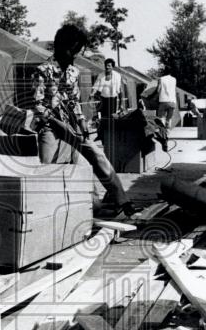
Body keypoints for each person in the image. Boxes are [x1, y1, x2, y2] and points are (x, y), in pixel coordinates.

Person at [32, 25, 135, 217]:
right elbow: (37, 105)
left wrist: (81, 123)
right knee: (46, 165)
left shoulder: (73, 72)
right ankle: (44, 212)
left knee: (97, 155)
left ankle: (122, 200)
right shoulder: (43, 71)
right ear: (62, 46)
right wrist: (55, 122)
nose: (74, 55)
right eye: (73, 50)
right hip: (50, 126)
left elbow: (74, 101)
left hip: (71, 125)